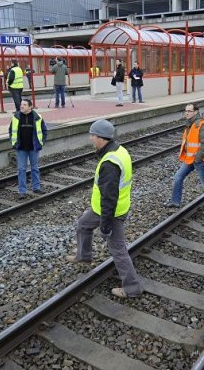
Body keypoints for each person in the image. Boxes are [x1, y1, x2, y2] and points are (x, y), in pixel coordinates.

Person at [66, 120, 143, 298]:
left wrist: (106, 225)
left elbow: (109, 198)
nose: (91, 138)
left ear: (102, 138)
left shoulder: (110, 163)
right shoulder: (118, 150)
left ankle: (132, 288)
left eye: (93, 135)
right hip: (101, 209)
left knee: (117, 249)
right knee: (83, 225)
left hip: (112, 212)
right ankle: (83, 256)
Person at [164, 103, 204, 215]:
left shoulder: (202, 124)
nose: (187, 113)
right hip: (190, 159)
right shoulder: (190, 124)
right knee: (178, 177)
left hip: (200, 160)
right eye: (186, 111)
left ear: (196, 112)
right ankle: (175, 201)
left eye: (189, 111)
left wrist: (197, 159)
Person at [9, 99, 47, 198]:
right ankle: (22, 191)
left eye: (24, 105)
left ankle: (36, 188)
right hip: (21, 148)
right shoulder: (16, 117)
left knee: (35, 168)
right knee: (21, 169)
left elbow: (44, 131)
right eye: (21, 104)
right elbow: (11, 130)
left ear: (30, 107)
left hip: (33, 148)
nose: (21, 106)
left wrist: (41, 142)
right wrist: (14, 142)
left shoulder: (38, 117)